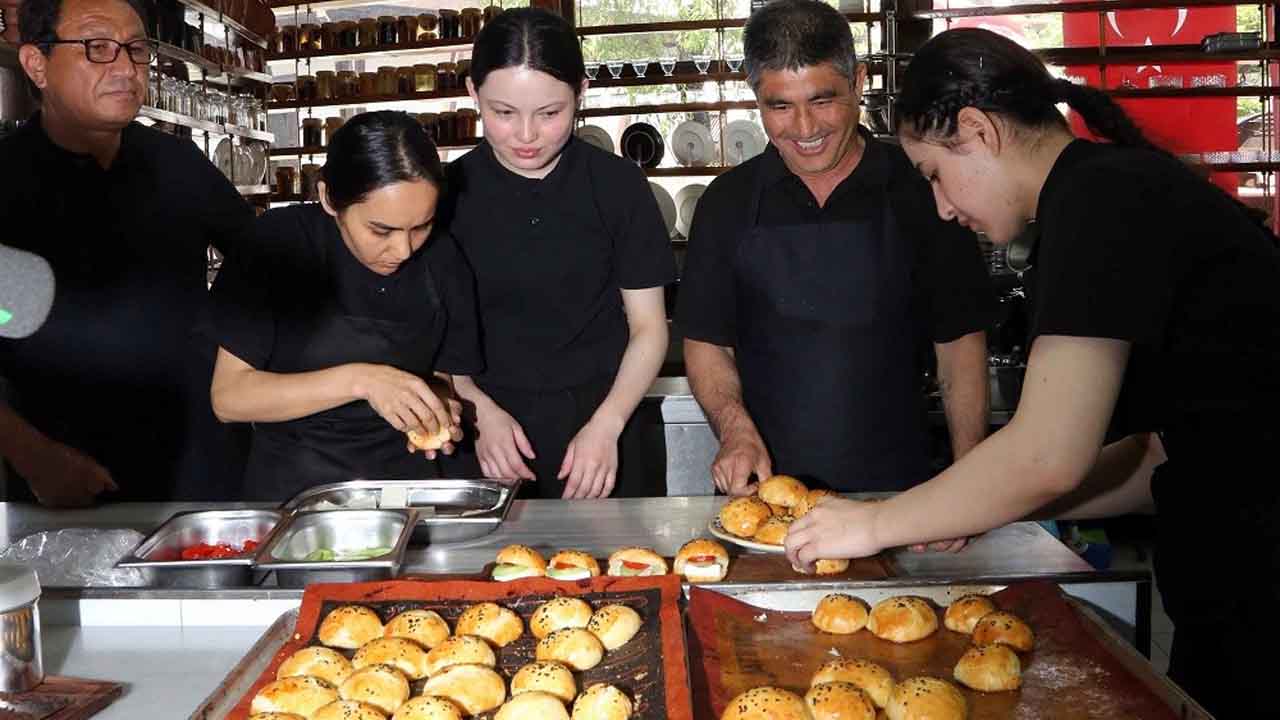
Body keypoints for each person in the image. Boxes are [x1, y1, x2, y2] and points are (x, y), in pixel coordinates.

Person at [785, 27, 1280, 717]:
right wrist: (969, 509)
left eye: (934, 175)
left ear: (978, 131)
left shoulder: (1096, 204)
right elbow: (1153, 459)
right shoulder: (1112, 192)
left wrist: (876, 526)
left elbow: (1049, 455)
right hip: (1227, 574)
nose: (943, 209)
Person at [677, 0, 994, 497]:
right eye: (779, 106)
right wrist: (734, 429)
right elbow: (707, 341)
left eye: (822, 100)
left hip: (901, 498)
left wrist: (970, 480)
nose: (804, 129)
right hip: (764, 498)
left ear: (859, 81)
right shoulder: (727, 203)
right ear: (755, 97)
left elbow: (959, 344)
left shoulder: (920, 190)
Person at [0, 0, 251, 504]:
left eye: (136, 49)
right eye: (97, 48)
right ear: (36, 64)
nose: (125, 68)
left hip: (198, 469)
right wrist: (32, 455)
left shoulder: (179, 164)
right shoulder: (5, 179)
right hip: (64, 474)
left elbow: (262, 264)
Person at [440, 7, 676, 499]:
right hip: (486, 430)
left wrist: (607, 424)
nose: (526, 135)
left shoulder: (619, 186)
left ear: (581, 93)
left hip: (609, 425)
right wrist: (478, 412)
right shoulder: (443, 194)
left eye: (550, 113)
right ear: (472, 93)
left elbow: (649, 327)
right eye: (502, 113)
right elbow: (433, 335)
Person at [208, 111, 480, 501]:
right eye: (381, 230)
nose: (403, 250)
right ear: (328, 198)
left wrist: (433, 406)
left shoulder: (444, 258)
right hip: (294, 494)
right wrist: (363, 380)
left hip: (407, 493)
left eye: (421, 226)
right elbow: (229, 398)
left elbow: (443, 379)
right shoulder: (278, 244)